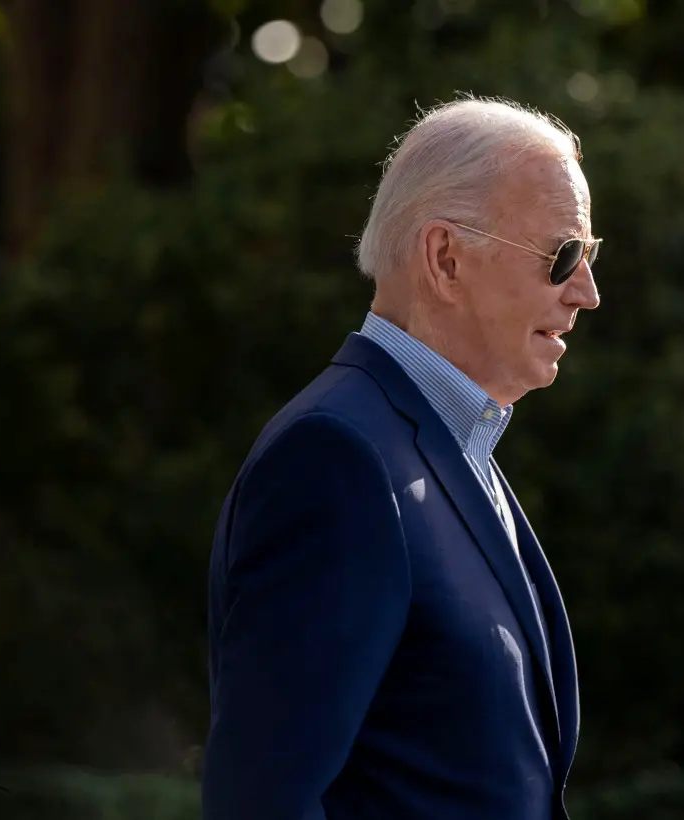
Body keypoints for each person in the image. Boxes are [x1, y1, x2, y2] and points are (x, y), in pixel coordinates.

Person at [201, 95, 602, 820]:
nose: (587, 293)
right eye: (563, 255)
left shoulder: (447, 443)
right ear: (445, 259)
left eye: (589, 256)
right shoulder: (338, 460)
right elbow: (263, 801)